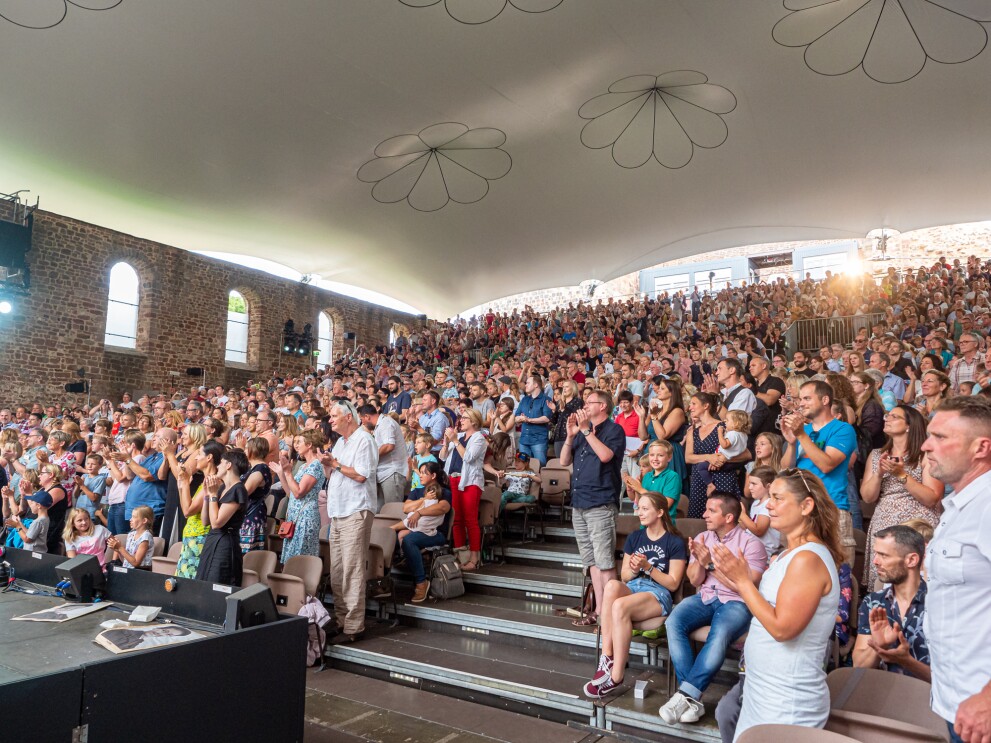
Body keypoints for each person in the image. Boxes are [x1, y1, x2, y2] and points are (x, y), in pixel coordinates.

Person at [712, 469, 841, 741]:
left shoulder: (808, 559)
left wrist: (745, 583)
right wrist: (736, 578)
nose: (768, 505)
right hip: (764, 690)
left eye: (778, 498)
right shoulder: (788, 555)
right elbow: (767, 605)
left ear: (806, 506)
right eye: (769, 497)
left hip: (787, 698)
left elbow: (783, 628)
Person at [660, 492, 768, 725]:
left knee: (718, 633)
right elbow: (694, 580)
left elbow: (747, 587)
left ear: (729, 517)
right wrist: (699, 561)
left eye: (711, 511)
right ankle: (691, 698)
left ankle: (686, 695)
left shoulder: (752, 544)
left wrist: (710, 562)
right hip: (706, 598)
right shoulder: (702, 537)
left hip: (737, 603)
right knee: (673, 621)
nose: (704, 514)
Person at [921, 396, 991, 743]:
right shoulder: (958, 507)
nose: (926, 445)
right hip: (956, 699)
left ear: (981, 447)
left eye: (940, 437)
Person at [583, 492, 687, 698]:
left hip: (658, 593)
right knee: (612, 586)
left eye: (645, 508)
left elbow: (674, 584)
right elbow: (625, 576)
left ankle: (616, 675)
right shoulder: (635, 537)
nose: (639, 513)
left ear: (660, 512)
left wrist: (648, 567)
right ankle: (607, 658)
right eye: (639, 508)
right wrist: (634, 568)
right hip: (635, 585)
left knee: (619, 606)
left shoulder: (674, 541)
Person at [560, 390, 626, 627]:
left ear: (604, 406)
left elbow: (606, 456)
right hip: (579, 502)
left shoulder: (614, 430)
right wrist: (570, 436)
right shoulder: (580, 430)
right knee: (592, 563)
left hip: (600, 502)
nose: (585, 405)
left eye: (590, 402)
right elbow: (564, 461)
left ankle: (610, 613)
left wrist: (586, 430)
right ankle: (599, 610)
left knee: (606, 562)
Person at [859, 405, 942, 588]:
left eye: (894, 416)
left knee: (917, 583)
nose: (886, 418)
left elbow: (932, 497)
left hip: (917, 525)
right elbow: (867, 497)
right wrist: (878, 474)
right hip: (885, 522)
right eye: (887, 415)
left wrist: (901, 475)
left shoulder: (925, 456)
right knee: (884, 583)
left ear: (909, 426)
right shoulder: (877, 455)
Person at [781, 380, 858, 565]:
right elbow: (785, 470)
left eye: (807, 398)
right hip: (802, 510)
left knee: (839, 574)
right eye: (800, 399)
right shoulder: (804, 431)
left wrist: (800, 436)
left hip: (831, 509)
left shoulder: (843, 429)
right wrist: (792, 443)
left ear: (825, 400)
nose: (801, 403)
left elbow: (827, 464)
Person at [323, 400, 378, 643]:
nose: (330, 420)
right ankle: (341, 619)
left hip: (356, 510)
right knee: (337, 571)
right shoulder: (340, 443)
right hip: (338, 511)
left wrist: (334, 464)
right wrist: (327, 464)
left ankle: (354, 627)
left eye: (334, 416)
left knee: (352, 569)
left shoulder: (363, 439)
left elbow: (361, 474)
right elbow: (334, 473)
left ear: (348, 417)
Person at [853, 525, 930, 681]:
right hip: (882, 696)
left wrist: (907, 662)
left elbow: (954, 680)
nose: (875, 561)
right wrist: (878, 646)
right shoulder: (872, 602)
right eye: (875, 554)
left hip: (927, 699)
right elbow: (858, 667)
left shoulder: (939, 604)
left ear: (911, 560)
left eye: (883, 555)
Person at [440, 408, 487, 571]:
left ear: (474, 421)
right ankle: (461, 555)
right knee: (457, 520)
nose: (461, 420)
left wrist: (455, 441)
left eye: (465, 418)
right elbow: (443, 457)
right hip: (453, 478)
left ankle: (474, 558)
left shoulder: (479, 438)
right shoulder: (458, 436)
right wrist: (447, 443)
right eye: (461, 418)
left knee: (470, 520)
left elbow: (468, 457)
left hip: (470, 481)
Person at [399, 460, 452, 603]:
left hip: (436, 533)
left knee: (409, 540)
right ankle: (382, 582)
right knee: (389, 535)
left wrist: (420, 512)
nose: (420, 476)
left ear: (433, 475)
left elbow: (442, 508)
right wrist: (423, 500)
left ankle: (421, 583)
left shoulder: (443, 491)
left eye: (424, 473)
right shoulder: (417, 491)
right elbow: (406, 508)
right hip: (415, 529)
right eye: (420, 472)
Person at [270, 429, 327, 563]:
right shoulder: (303, 467)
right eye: (295, 442)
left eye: (299, 442)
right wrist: (281, 473)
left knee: (300, 559)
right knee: (290, 559)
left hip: (305, 518)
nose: (295, 445)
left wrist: (288, 473)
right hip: (294, 517)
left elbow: (299, 492)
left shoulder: (316, 465)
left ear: (309, 444)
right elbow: (290, 493)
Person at [196, 449, 249, 586]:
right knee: (203, 583)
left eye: (221, 463)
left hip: (225, 543)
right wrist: (207, 496)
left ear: (229, 465)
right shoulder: (221, 488)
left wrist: (213, 495)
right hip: (212, 540)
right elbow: (205, 521)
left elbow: (217, 522)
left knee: (216, 584)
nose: (217, 466)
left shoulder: (238, 489)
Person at [685, 392, 741, 518]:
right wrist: (709, 457)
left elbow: (746, 453)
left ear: (706, 406)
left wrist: (723, 458)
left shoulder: (723, 426)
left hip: (723, 479)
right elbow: (688, 458)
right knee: (697, 521)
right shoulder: (692, 432)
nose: (690, 408)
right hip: (699, 481)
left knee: (723, 518)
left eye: (693, 404)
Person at [358, 404, 408, 511]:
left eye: (362, 419)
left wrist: (370, 456)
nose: (362, 423)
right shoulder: (379, 426)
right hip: (383, 474)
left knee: (393, 512)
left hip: (392, 472)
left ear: (367, 416)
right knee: (380, 512)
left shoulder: (386, 423)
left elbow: (389, 445)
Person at [624, 440, 681, 523]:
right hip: (645, 524)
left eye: (660, 455)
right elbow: (637, 501)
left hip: (663, 525)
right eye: (652, 455)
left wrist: (640, 489)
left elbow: (665, 505)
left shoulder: (672, 477)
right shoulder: (647, 476)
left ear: (669, 457)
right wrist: (632, 488)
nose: (655, 459)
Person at [239, 437, 273, 553]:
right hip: (246, 512)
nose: (244, 450)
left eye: (247, 448)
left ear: (254, 450)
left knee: (247, 553)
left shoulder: (261, 468)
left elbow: (244, 492)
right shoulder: (252, 467)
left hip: (252, 515)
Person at [738, 466, 780, 560]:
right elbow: (748, 528)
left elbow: (759, 531)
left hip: (763, 553)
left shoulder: (768, 505)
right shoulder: (756, 503)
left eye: (754, 484)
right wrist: (740, 518)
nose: (750, 487)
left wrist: (743, 515)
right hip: (750, 547)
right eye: (749, 483)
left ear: (768, 487)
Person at [515, 373, 553, 465]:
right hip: (524, 439)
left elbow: (547, 418)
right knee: (523, 466)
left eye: (528, 383)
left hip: (538, 439)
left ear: (536, 385)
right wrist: (520, 418)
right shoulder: (524, 399)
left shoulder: (546, 399)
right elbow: (516, 417)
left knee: (540, 466)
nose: (525, 385)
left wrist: (529, 420)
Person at [4, 486, 52, 553]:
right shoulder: (46, 518)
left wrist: (17, 527)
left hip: (33, 554)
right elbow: (30, 533)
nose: (30, 505)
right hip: (38, 553)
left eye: (32, 503)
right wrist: (19, 523)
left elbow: (27, 539)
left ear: (38, 505)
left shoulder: (38, 522)